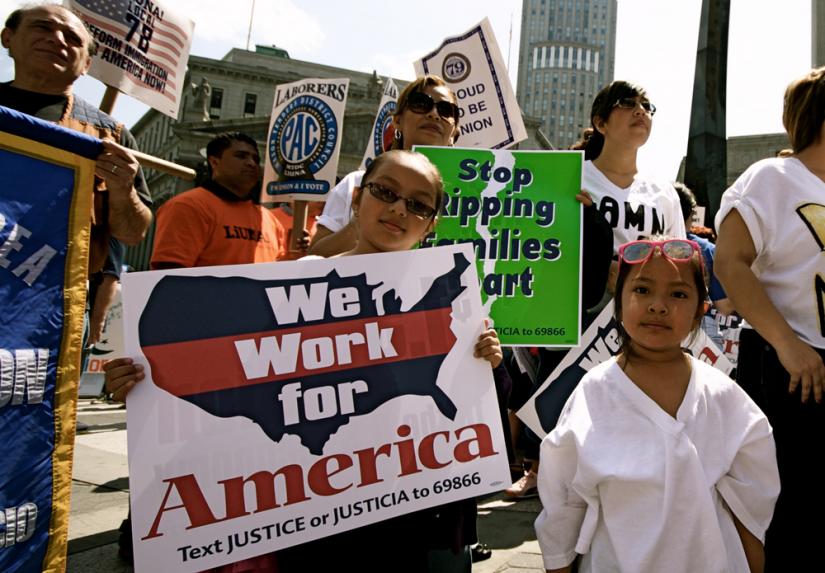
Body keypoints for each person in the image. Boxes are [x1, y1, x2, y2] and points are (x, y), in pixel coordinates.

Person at [106, 150, 507, 572]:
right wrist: (144, 382)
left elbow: (478, 414)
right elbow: (238, 381)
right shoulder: (298, 279)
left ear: (432, 223)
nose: (397, 208)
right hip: (314, 525)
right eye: (385, 191)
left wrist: (488, 364)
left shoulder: (454, 300)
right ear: (356, 200)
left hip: (411, 519)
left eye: (418, 204)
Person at [534, 238, 780, 573]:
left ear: (699, 311)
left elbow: (751, 509)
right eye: (642, 290)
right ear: (618, 304)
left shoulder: (723, 397)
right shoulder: (594, 394)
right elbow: (564, 501)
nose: (658, 306)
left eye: (678, 294)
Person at [714, 65, 825, 570]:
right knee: (789, 515)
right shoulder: (773, 178)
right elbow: (729, 261)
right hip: (789, 369)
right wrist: (788, 344)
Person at [0, 3, 152, 274]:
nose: (57, 39)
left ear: (87, 64)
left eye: (72, 38)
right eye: (42, 27)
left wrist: (123, 190)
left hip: (50, 304)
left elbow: (132, 233)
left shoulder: (111, 136)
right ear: (7, 38)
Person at [308, 74, 460, 256]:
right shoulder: (356, 183)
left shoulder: (481, 195)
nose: (434, 114)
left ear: (453, 133)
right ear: (397, 121)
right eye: (420, 104)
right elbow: (317, 258)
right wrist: (365, 217)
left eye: (446, 110)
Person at [150, 132, 287, 269]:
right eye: (241, 156)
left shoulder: (270, 220)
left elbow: (279, 274)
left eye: (256, 159)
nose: (251, 163)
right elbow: (169, 276)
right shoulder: (187, 206)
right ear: (214, 162)